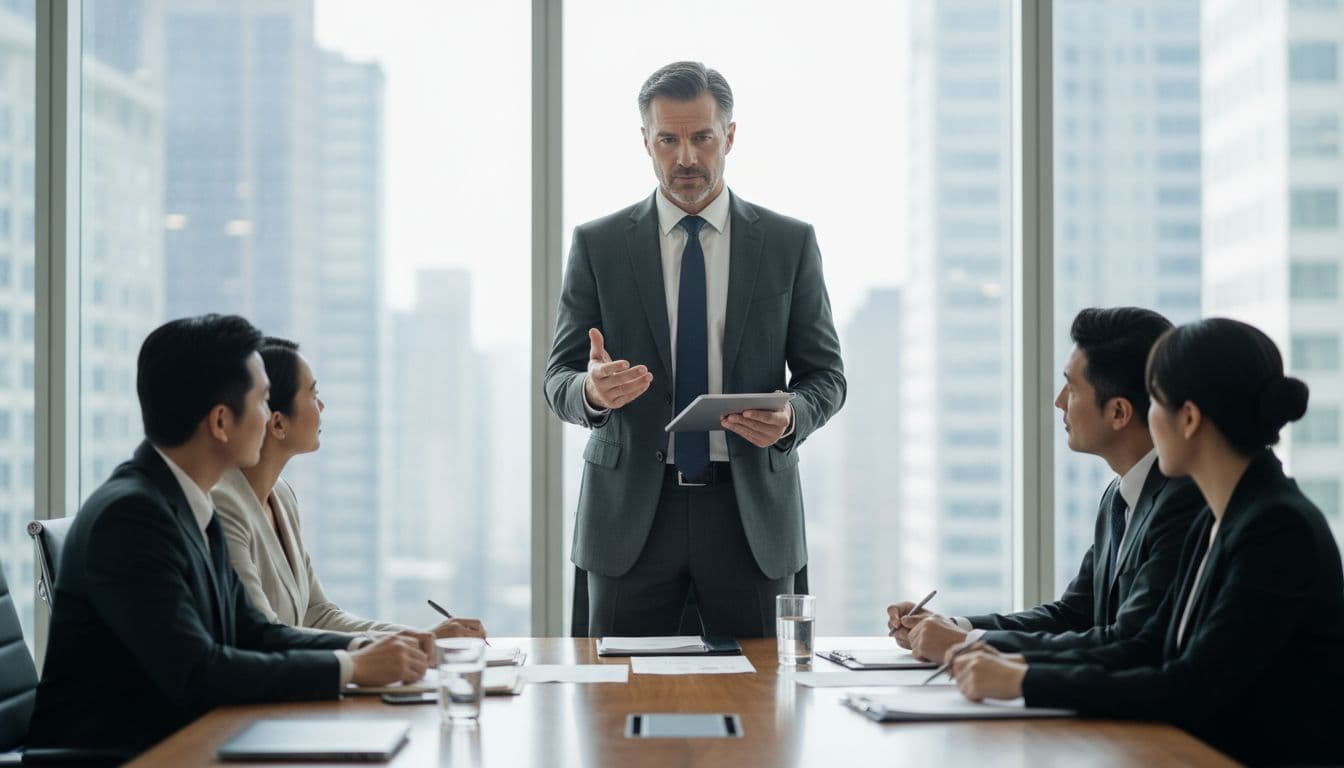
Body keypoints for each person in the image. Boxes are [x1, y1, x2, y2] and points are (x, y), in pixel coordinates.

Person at [26, 315, 432, 755]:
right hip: (127, 756)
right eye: (261, 402)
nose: (267, 415)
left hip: (188, 741)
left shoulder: (188, 502)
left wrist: (365, 648)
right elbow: (199, 673)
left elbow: (253, 631)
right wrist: (350, 666)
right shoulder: (131, 517)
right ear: (221, 422)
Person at [947, 318, 1344, 766]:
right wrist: (1018, 668)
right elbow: (1146, 646)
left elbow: (1191, 686)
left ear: (1189, 418)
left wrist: (1024, 682)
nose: (1146, 420)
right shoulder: (1220, 518)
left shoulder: (1276, 528)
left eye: (1154, 400)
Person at [544, 61, 846, 637]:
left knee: (764, 708)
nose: (686, 157)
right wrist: (590, 390)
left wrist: (790, 418)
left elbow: (826, 376)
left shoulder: (789, 243)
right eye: (668, 139)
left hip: (749, 510)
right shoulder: (598, 245)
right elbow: (556, 377)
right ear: (645, 142)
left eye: (702, 137)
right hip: (631, 514)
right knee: (615, 706)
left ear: (729, 136)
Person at [888, 308, 1203, 658]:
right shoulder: (1120, 494)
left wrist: (967, 645)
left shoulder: (1183, 500)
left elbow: (1131, 640)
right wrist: (956, 627)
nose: (1059, 401)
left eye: (1072, 386)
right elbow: (1074, 615)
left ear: (1118, 412)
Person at [210, 337, 487, 640]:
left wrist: (419, 640)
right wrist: (400, 648)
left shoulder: (282, 495)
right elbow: (264, 635)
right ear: (277, 424)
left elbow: (318, 614)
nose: (322, 405)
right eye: (313, 393)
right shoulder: (224, 503)